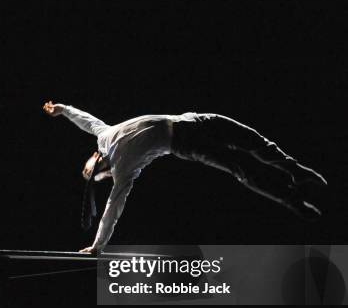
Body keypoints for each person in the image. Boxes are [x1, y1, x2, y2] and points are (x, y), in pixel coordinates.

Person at [43, 101, 326, 253]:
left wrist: (62, 110)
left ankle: (297, 173)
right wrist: (98, 246)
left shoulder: (104, 135)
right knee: (241, 168)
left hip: (196, 119)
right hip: (184, 143)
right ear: (100, 173)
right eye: (92, 170)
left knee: (255, 142)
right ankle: (293, 201)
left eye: (89, 162)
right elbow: (112, 210)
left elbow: (85, 119)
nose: (92, 161)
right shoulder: (123, 170)